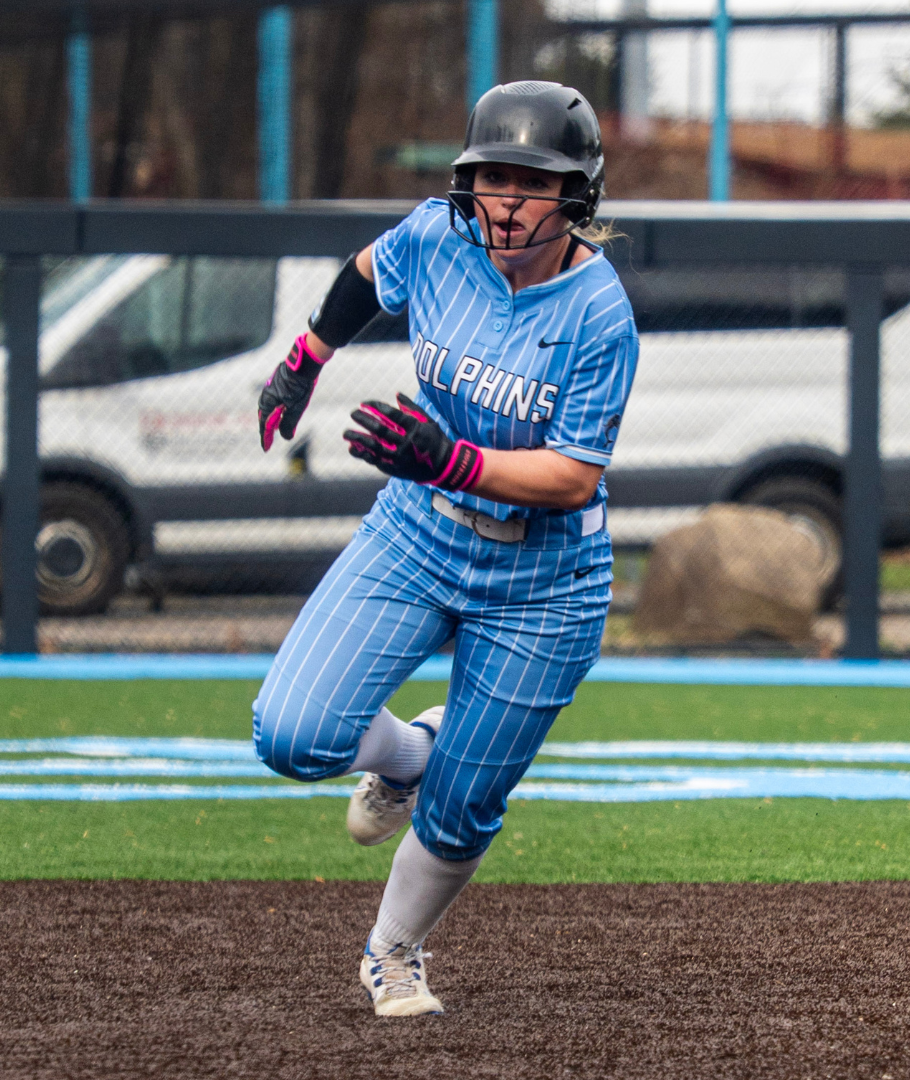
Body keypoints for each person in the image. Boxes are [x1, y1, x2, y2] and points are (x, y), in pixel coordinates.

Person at [250, 80, 637, 1017]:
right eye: (491, 176)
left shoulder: (599, 315)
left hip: (546, 580)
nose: (505, 200)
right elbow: (362, 276)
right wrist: (304, 358)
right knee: (293, 738)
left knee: (466, 808)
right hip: (419, 530)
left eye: (530, 181)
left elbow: (572, 478)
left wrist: (454, 457)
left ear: (576, 195)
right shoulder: (438, 234)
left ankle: (394, 952)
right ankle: (410, 755)